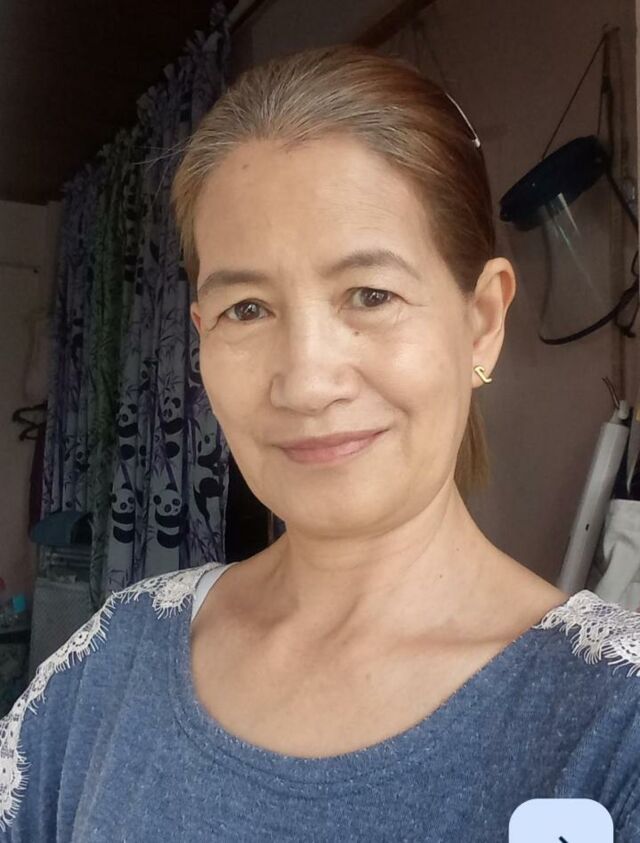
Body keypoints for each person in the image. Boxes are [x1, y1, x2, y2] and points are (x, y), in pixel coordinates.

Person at [2, 43, 640, 842]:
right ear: (200, 334)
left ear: (482, 321)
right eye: (246, 309)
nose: (305, 382)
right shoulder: (114, 659)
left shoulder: (610, 722)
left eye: (370, 294)